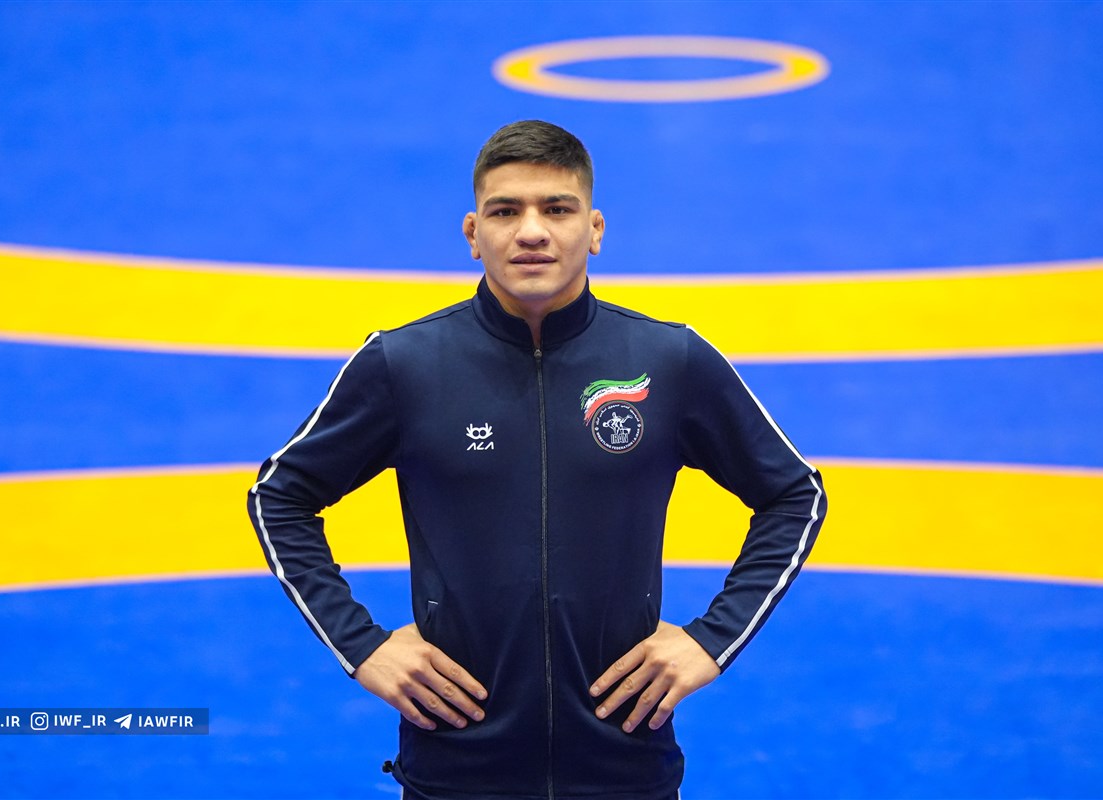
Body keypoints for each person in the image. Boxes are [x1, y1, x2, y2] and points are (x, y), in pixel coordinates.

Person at [248, 120, 826, 800]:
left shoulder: (669, 361)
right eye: (505, 211)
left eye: (557, 209)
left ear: (595, 229)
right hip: (455, 771)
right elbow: (280, 495)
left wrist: (711, 639)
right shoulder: (403, 365)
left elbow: (794, 494)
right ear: (472, 234)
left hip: (626, 769)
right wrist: (362, 645)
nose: (531, 232)